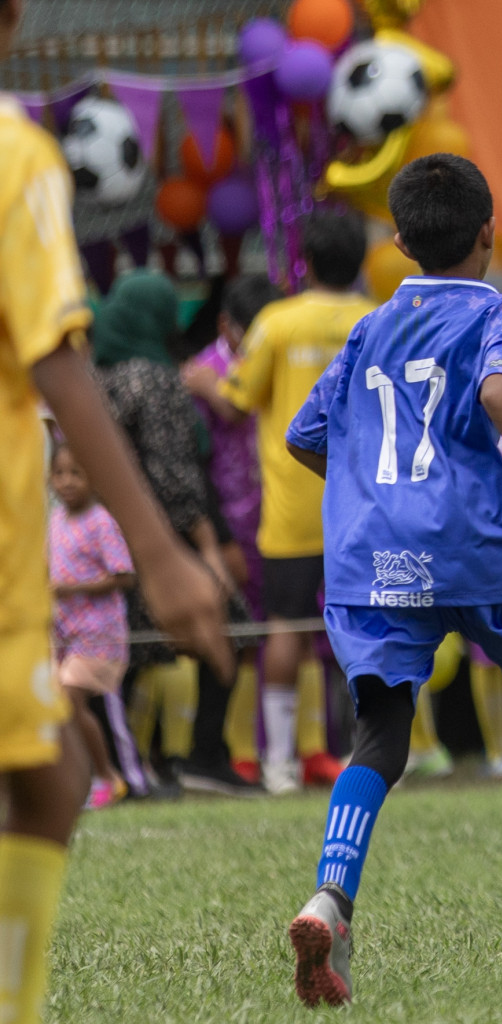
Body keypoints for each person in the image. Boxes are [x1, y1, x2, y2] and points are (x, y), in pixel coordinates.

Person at [282, 153, 502, 1006]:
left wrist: (375, 493)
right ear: (490, 230)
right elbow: (501, 394)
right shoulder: (500, 310)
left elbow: (304, 436)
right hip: (469, 544)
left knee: (382, 732)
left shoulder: (368, 329)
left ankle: (329, 899)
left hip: (372, 557)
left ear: (399, 241)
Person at [0, 1, 231, 1014]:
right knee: (46, 777)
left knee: (49, 772)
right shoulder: (16, 155)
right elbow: (53, 349)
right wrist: (166, 550)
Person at [194, 213, 373, 794]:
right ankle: (372, 755)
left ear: (308, 265)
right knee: (371, 627)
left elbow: (236, 402)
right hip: (369, 505)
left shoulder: (276, 322)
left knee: (286, 629)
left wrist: (200, 383)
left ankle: (279, 767)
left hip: (293, 509)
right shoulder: (380, 320)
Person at [93, 270, 256, 797]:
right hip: (159, 541)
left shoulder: (99, 379)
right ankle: (204, 756)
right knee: (232, 630)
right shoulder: (156, 380)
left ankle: (125, 768)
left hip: (101, 541)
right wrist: (208, 547)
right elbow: (172, 475)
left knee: (119, 655)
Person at [183, 274, 284, 783]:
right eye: (252, 333)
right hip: (226, 523)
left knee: (282, 632)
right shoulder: (200, 372)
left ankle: (282, 751)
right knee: (236, 635)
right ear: (227, 325)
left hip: (276, 513)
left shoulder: (276, 359)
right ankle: (238, 750)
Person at [48, 445, 136, 808]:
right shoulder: (55, 521)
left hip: (99, 634)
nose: (67, 482)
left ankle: (112, 777)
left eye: (77, 473)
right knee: (57, 704)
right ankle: (81, 779)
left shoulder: (101, 521)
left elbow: (123, 574)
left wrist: (74, 588)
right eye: (60, 474)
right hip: (63, 633)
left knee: (70, 697)